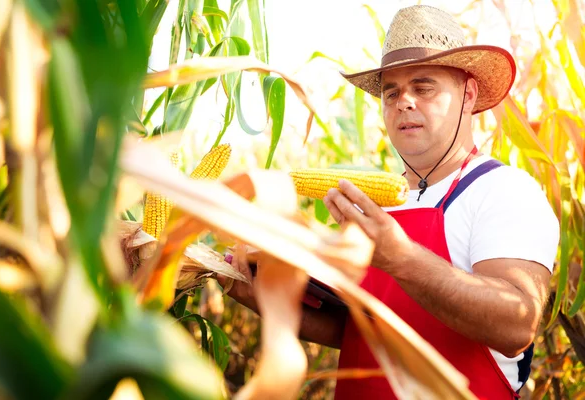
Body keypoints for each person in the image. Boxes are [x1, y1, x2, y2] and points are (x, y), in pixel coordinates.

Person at [219, 5, 560, 399]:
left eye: (423, 86)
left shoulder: (505, 191)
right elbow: (355, 329)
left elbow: (516, 325)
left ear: (469, 94)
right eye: (391, 91)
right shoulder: (374, 205)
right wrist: (256, 291)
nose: (404, 102)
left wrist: (401, 257)